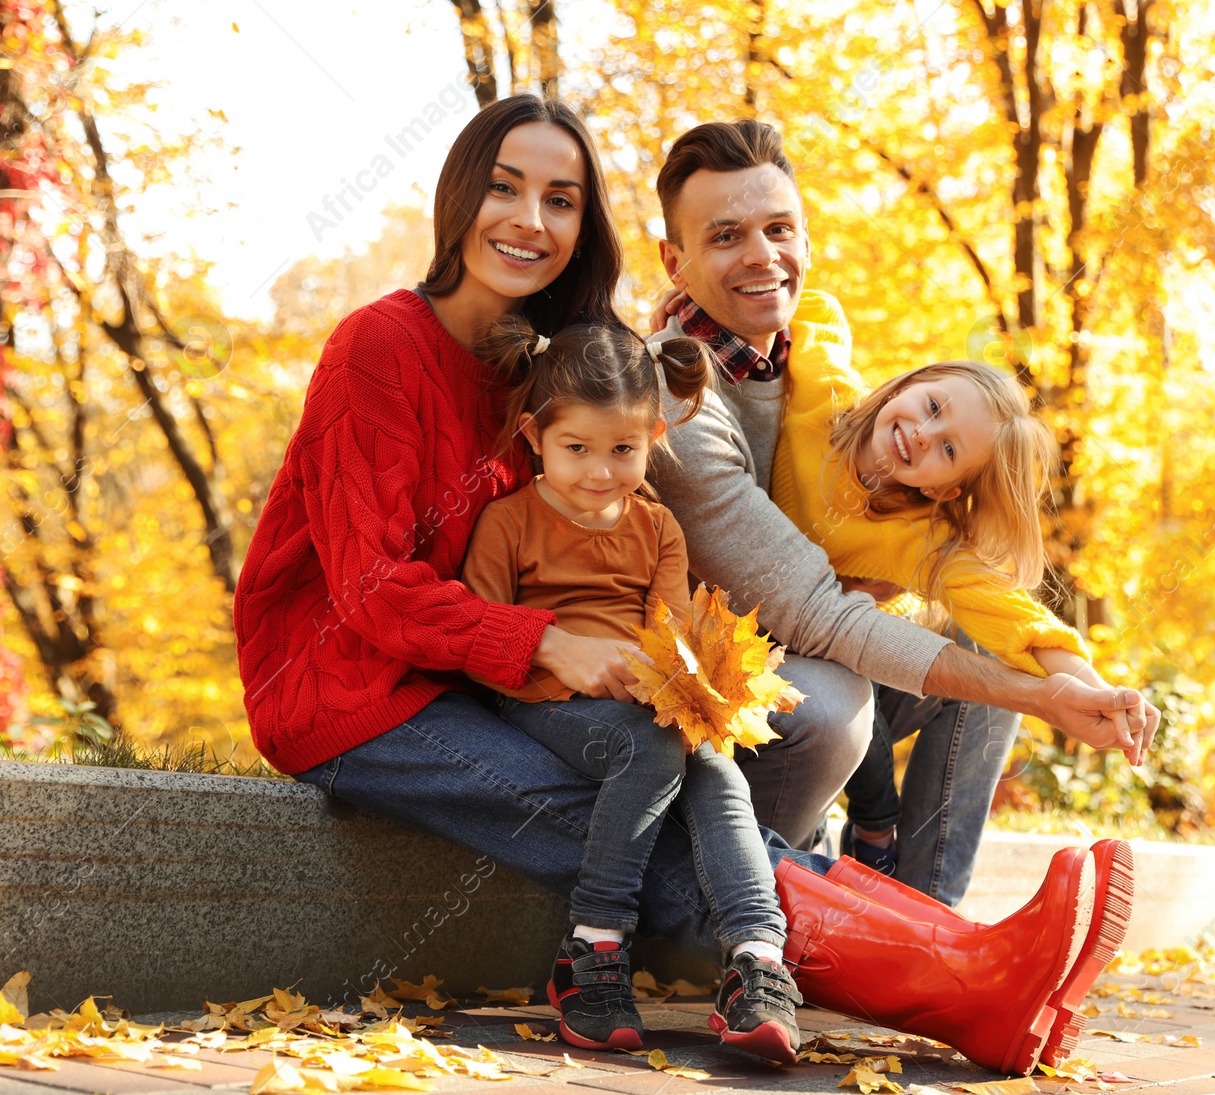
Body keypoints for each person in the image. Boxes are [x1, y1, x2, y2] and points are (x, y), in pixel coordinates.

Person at [234, 94, 1131, 1077]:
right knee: (652, 819)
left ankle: (968, 954)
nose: (530, 220)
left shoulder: (558, 364)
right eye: (505, 189)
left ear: (585, 226)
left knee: (696, 780)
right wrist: (547, 644)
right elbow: (367, 590)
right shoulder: (382, 346)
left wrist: (1054, 673)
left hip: (490, 680)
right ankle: (967, 981)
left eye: (561, 199)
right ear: (458, 199)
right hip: (357, 697)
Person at [647, 118, 1163, 906]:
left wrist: (1085, 688)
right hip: (716, 665)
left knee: (986, 654)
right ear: (674, 259)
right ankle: (751, 902)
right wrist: (1037, 694)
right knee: (834, 705)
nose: (761, 255)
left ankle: (930, 911)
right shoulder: (690, 390)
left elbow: (1010, 610)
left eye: (779, 229)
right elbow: (815, 609)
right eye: (725, 235)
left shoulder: (898, 497)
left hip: (816, 631)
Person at [457, 321, 802, 1060]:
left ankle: (757, 959)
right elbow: (482, 648)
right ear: (534, 436)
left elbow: (670, 633)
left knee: (716, 771)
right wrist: (569, 659)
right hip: (545, 700)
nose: (598, 471)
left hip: (648, 707)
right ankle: (593, 945)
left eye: (622, 450)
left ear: (651, 436)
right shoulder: (507, 522)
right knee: (650, 744)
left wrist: (689, 680)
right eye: (575, 448)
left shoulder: (658, 528)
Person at [768, 354, 1143, 876]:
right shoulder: (822, 394)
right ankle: (869, 840)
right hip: (759, 660)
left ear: (943, 489)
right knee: (843, 675)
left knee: (990, 654)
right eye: (932, 406)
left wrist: (1100, 692)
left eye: (947, 449)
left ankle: (926, 906)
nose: (923, 433)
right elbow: (812, 306)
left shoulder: (920, 538)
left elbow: (1015, 620)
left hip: (836, 662)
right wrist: (688, 301)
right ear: (909, 380)